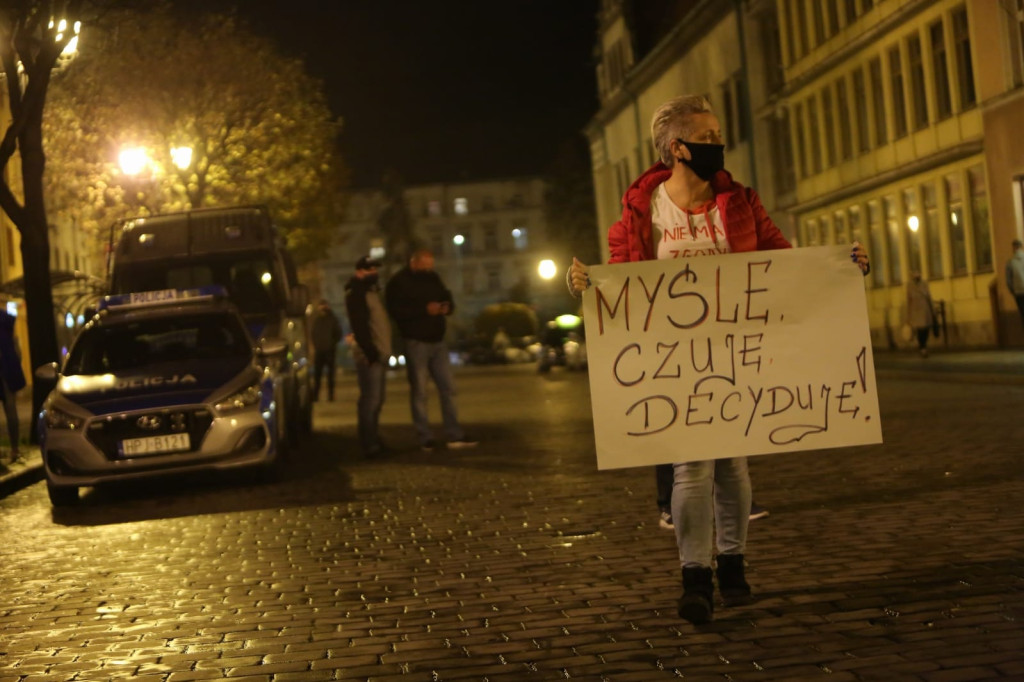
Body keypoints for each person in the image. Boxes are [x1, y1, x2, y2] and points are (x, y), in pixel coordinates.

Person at [568, 95, 869, 625]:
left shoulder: (742, 203)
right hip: (676, 358)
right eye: (707, 137)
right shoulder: (642, 213)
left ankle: (732, 562)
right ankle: (695, 576)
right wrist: (586, 287)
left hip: (738, 357)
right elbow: (622, 283)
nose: (718, 145)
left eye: (718, 136)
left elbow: (785, 263)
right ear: (677, 148)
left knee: (732, 464)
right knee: (691, 465)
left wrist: (841, 267)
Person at [385, 249, 478, 452]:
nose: (429, 268)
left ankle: (454, 434)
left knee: (448, 388)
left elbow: (446, 296)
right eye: (426, 264)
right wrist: (423, 310)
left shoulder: (433, 278)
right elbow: (395, 310)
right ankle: (424, 436)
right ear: (414, 262)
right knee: (420, 390)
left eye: (431, 264)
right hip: (415, 341)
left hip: (437, 340)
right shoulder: (399, 282)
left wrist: (447, 307)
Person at [344, 257, 392, 458]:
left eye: (375, 268)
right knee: (370, 399)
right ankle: (369, 443)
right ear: (359, 271)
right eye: (369, 269)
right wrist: (370, 352)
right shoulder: (357, 293)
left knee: (376, 399)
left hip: (377, 352)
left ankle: (372, 438)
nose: (374, 272)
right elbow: (360, 325)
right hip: (369, 354)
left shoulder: (370, 292)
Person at [0, 310, 26, 464]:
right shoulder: (7, 321)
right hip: (8, 370)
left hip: (4, 371)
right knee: (11, 411)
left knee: (11, 411)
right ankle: (15, 449)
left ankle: (15, 449)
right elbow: (17, 349)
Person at [311, 298, 343, 401]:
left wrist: (332, 344)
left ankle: (330, 396)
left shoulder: (332, 319)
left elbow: (338, 334)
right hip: (319, 351)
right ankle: (315, 396)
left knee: (330, 375)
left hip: (329, 351)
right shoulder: (317, 319)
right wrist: (316, 344)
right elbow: (313, 333)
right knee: (317, 375)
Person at [905, 271, 936, 358]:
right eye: (915, 274)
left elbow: (929, 297)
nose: (917, 276)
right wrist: (908, 316)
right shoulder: (909, 286)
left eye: (918, 274)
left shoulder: (924, 284)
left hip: (925, 310)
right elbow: (909, 301)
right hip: (916, 311)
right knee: (920, 331)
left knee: (926, 330)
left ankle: (923, 347)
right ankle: (922, 348)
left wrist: (933, 311)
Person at [1005, 239, 1024, 327]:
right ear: (1021, 247)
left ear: (1014, 247)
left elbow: (1008, 280)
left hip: (1019, 293)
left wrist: (1013, 291)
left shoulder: (1010, 262)